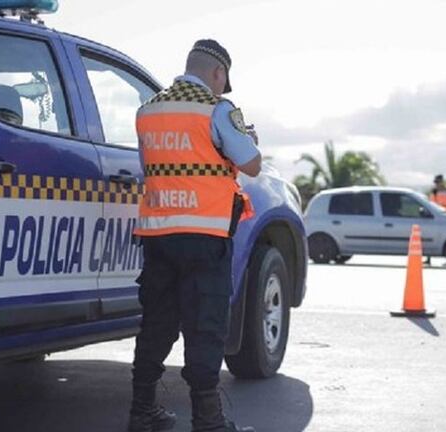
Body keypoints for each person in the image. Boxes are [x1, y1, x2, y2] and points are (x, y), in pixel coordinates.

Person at [128, 39, 260, 432]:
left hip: (158, 233)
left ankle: (141, 411)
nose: (222, 88)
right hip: (204, 234)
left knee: (156, 322)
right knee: (205, 324)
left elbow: (148, 165)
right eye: (223, 81)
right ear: (218, 74)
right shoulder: (217, 110)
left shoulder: (147, 111)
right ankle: (208, 421)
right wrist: (249, 138)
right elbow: (251, 164)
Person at [424, 174, 446, 265]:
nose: (437, 184)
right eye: (436, 182)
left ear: (442, 182)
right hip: (434, 216)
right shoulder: (433, 192)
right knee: (431, 237)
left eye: (438, 182)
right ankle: (428, 258)